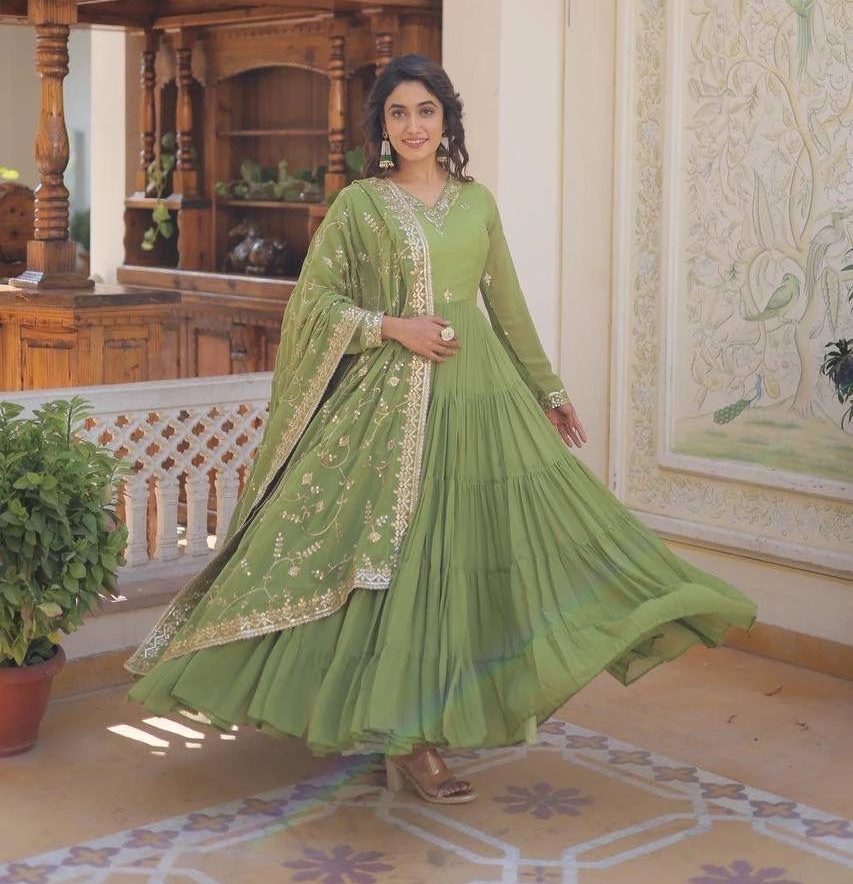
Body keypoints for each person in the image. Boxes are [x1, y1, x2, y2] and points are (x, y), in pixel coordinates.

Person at [127, 54, 756, 805]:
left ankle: (438, 718)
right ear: (382, 127)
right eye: (398, 113)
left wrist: (549, 390)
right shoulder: (360, 205)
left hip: (479, 394)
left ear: (446, 120)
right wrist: (392, 325)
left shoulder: (476, 202)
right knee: (401, 566)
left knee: (470, 557)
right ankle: (411, 740)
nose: (413, 125)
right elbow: (313, 302)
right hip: (389, 405)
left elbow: (507, 304)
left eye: (425, 110)